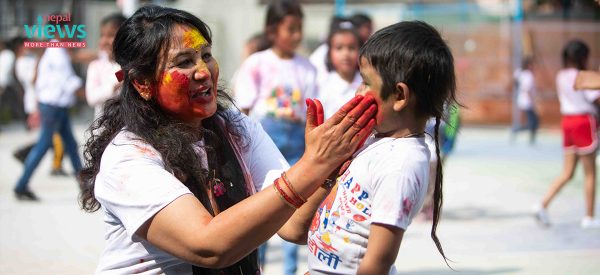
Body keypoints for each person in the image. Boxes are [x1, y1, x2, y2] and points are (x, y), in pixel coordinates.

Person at [78, 5, 376, 274]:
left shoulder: (236, 128)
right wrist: (314, 164)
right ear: (143, 83)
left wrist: (330, 168)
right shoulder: (130, 156)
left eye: (206, 55)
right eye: (184, 62)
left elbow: (294, 225)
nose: (203, 71)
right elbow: (209, 246)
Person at [278, 20, 457, 274]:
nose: (357, 92)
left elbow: (377, 264)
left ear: (400, 96)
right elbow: (294, 229)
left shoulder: (402, 164)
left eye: (365, 82)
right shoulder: (373, 143)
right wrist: (325, 164)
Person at [233, 1, 318, 273]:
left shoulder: (307, 68)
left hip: (295, 143)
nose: (296, 35)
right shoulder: (257, 63)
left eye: (299, 29)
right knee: (262, 211)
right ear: (272, 31)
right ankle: (256, 266)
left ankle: (290, 269)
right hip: (264, 143)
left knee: (293, 206)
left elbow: (310, 110)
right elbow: (243, 109)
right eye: (290, 29)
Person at [533, 39, 600, 229]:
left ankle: (542, 205)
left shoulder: (561, 75)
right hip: (583, 122)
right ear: (583, 57)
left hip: (567, 123)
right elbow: (595, 98)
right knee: (590, 173)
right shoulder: (582, 76)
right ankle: (589, 216)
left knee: (568, 172)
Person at [13, 35, 84, 200]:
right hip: (53, 107)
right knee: (43, 145)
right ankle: (21, 185)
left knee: (71, 145)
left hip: (56, 106)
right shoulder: (56, 52)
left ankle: (85, 185)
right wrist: (86, 93)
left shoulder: (54, 50)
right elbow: (68, 80)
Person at [317, 20, 362, 119]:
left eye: (351, 48)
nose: (345, 54)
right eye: (339, 48)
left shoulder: (366, 83)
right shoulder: (323, 86)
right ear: (329, 52)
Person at [86, 13, 127, 120]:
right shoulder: (96, 66)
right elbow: (92, 98)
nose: (104, 41)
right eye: (102, 35)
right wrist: (115, 85)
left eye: (110, 35)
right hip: (103, 128)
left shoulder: (131, 64)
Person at [511, 57, 539, 145]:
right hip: (528, 101)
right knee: (533, 121)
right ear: (528, 65)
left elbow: (514, 81)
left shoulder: (520, 73)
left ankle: (521, 132)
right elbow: (528, 89)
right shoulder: (528, 75)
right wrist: (533, 101)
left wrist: (518, 88)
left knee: (531, 121)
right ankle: (517, 130)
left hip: (521, 100)